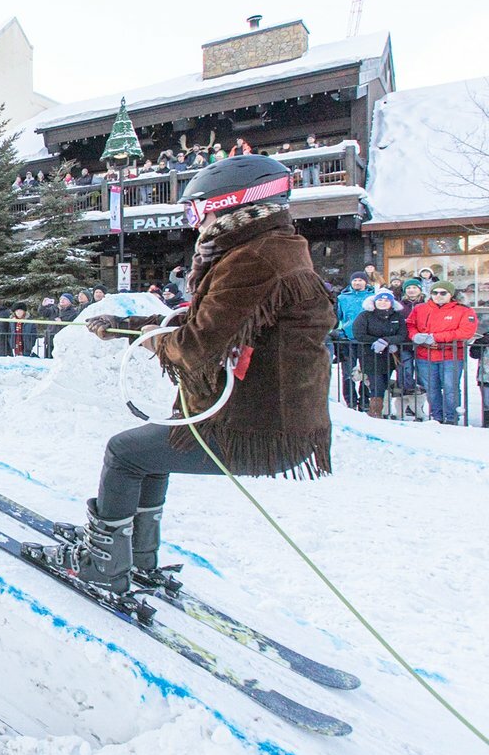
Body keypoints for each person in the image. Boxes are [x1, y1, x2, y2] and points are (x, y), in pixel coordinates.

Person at [43, 154, 334, 595]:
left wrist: (152, 338)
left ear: (235, 207)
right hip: (269, 421)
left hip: (256, 428)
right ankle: (135, 558)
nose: (195, 223)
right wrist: (136, 328)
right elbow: (209, 323)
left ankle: (103, 563)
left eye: (199, 211)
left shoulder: (255, 260)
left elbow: (196, 348)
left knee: (123, 453)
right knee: (149, 452)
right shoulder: (272, 248)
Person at [406, 281, 479, 425]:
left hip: (450, 356)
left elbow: (466, 331)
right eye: (435, 293)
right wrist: (415, 335)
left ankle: (451, 418)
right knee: (431, 389)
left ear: (450, 294)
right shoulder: (420, 309)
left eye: (443, 293)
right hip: (425, 356)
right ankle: (436, 417)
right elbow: (410, 324)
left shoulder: (464, 311)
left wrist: (435, 337)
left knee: (450, 388)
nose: (438, 296)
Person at [353, 288, 408, 418]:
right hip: (370, 355)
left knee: (384, 383)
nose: (383, 303)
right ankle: (375, 412)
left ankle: (383, 410)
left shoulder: (397, 316)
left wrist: (387, 341)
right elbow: (359, 334)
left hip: (389, 355)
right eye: (380, 300)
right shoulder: (365, 315)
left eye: (386, 300)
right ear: (374, 301)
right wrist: (376, 341)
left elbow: (402, 334)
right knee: (376, 384)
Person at [335, 271, 371, 411]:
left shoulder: (371, 297)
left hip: (366, 339)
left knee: (366, 372)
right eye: (355, 280)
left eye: (360, 280)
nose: (357, 283)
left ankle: (365, 400)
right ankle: (350, 400)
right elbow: (337, 317)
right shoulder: (342, 298)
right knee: (348, 372)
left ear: (365, 282)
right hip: (348, 339)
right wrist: (338, 331)